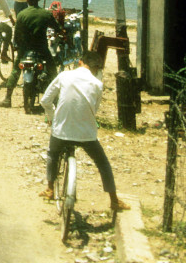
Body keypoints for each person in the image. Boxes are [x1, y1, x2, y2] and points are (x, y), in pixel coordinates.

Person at [39, 51, 131, 211]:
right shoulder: (98, 84)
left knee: (53, 154)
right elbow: (93, 110)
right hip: (86, 135)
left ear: (80, 62)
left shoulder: (64, 76)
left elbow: (45, 100)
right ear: (96, 68)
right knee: (102, 163)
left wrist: (52, 117)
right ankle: (114, 200)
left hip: (61, 131)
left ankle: (50, 188)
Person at [0, 0, 58, 108]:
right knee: (52, 69)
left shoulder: (21, 15)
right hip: (41, 48)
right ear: (38, 0)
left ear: (28, 0)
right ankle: (56, 98)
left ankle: (8, 98)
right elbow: (56, 28)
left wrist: (16, 46)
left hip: (24, 48)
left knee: (15, 70)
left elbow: (17, 33)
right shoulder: (46, 14)